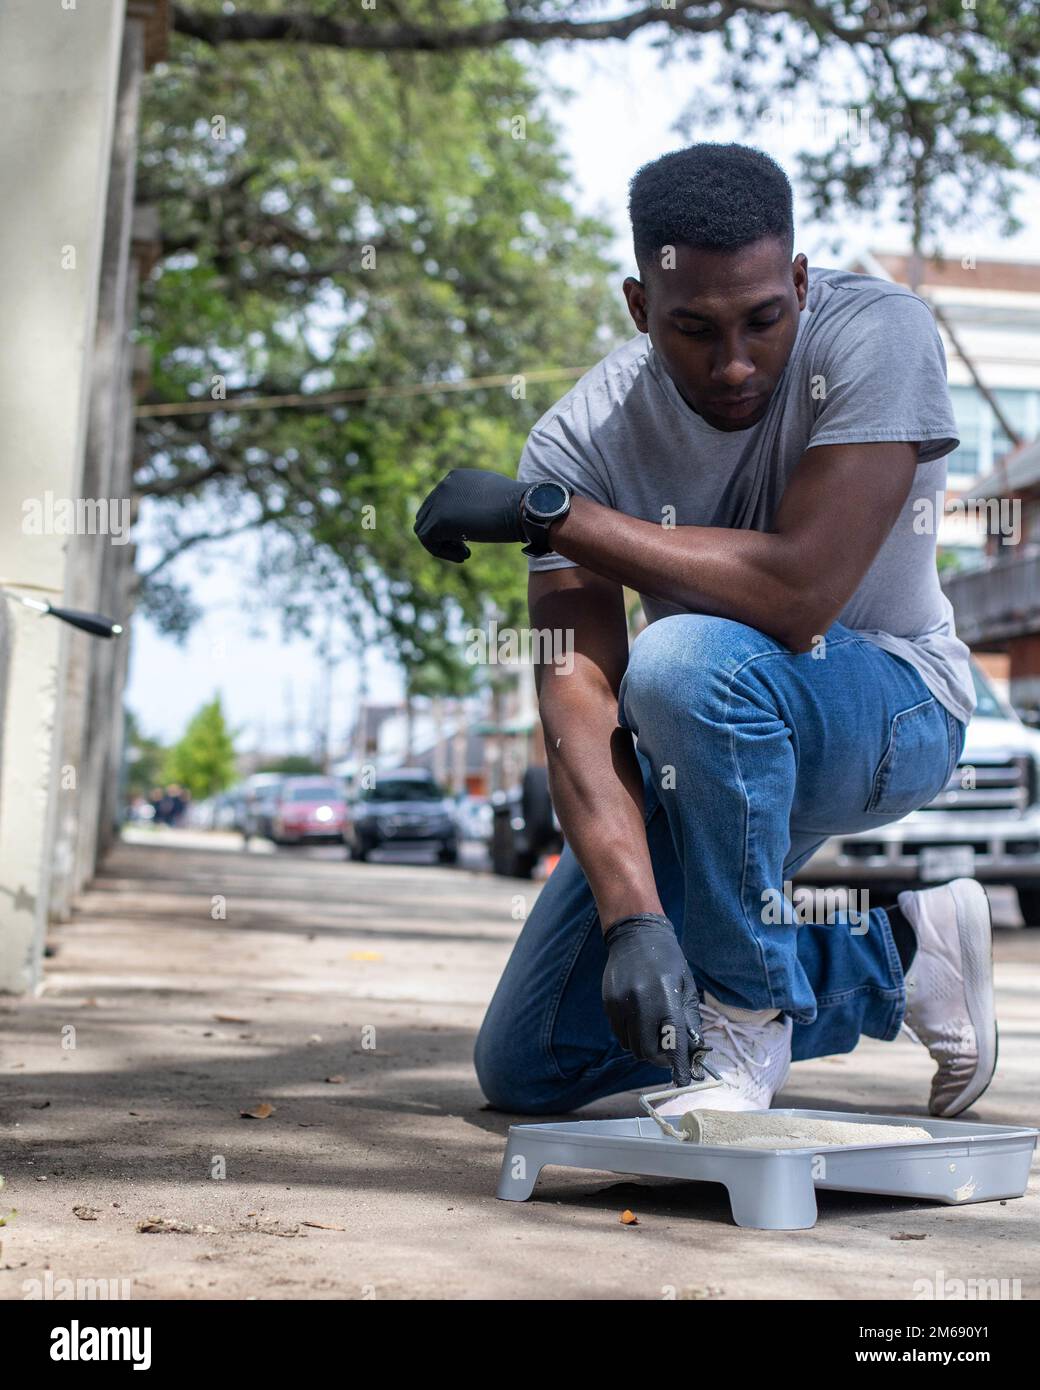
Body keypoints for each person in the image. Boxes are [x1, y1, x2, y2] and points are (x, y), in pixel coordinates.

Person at [414, 143, 995, 1122]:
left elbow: (798, 590)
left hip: (891, 707)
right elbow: (577, 688)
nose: (733, 362)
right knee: (532, 1060)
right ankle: (896, 955)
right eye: (692, 329)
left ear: (799, 283)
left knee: (681, 656)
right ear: (640, 306)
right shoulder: (581, 437)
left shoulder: (874, 331)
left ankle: (747, 1014)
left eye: (763, 319)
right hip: (708, 748)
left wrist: (548, 515)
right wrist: (632, 915)